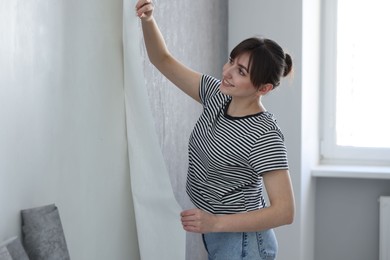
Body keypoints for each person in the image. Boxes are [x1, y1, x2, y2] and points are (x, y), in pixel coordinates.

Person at [135, 1, 295, 259]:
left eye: (241, 71)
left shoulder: (264, 134)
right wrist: (148, 19)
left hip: (245, 243)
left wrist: (215, 223)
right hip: (217, 233)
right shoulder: (217, 95)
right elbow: (161, 60)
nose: (228, 72)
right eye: (231, 61)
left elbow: (285, 211)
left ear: (263, 88)